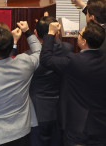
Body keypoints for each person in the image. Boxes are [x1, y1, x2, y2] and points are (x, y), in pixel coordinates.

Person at [40, 21, 106, 146]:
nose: (77, 37)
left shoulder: (74, 61)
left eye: (79, 34)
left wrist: (50, 33)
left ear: (84, 41)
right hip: (102, 127)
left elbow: (46, 59)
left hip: (78, 129)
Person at [29, 16, 73, 146]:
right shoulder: (67, 49)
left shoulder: (29, 57)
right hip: (61, 111)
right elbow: (56, 43)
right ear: (57, 33)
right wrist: (51, 31)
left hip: (38, 113)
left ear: (35, 33)